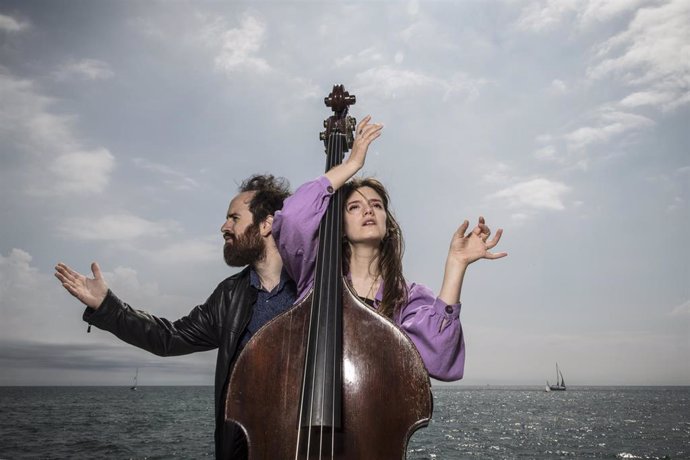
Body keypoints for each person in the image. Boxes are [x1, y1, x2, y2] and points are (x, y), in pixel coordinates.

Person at [54, 174, 295, 459]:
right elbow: (170, 338)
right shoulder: (230, 295)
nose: (224, 226)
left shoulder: (315, 284)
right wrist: (107, 305)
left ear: (266, 224)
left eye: (234, 218)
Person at [273, 116, 507, 381]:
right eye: (354, 207)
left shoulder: (406, 298)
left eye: (376, 205)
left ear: (387, 222)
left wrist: (456, 263)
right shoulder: (315, 277)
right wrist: (351, 165)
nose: (368, 210)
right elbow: (292, 218)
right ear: (340, 226)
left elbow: (440, 360)